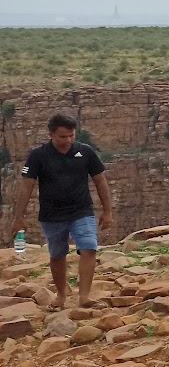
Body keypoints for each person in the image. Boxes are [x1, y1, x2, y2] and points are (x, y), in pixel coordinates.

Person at [7, 113, 114, 308]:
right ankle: (61, 295)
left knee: (89, 247)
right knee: (57, 254)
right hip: (52, 215)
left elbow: (100, 180)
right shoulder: (38, 156)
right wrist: (19, 217)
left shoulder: (85, 152)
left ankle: (84, 297)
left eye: (71, 136)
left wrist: (107, 212)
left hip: (82, 210)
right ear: (51, 135)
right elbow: (27, 185)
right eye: (63, 136)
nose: (68, 140)